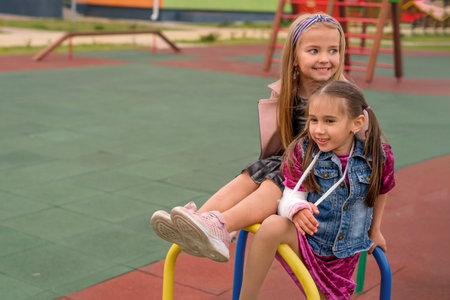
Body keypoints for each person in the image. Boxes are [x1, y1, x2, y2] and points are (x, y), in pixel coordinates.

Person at [150, 13, 347, 262]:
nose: (325, 59)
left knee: (276, 175)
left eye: (333, 50)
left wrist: (374, 226)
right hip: (293, 168)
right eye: (314, 51)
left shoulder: (344, 100)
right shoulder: (289, 92)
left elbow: (373, 156)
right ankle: (200, 221)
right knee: (256, 170)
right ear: (294, 58)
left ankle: (223, 226)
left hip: (322, 180)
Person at [239, 80, 395, 300]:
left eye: (329, 121)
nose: (319, 130)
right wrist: (296, 209)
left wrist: (375, 230)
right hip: (308, 241)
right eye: (313, 120)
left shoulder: (377, 156)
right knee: (273, 224)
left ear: (357, 123)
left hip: (342, 255)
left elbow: (381, 190)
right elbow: (290, 196)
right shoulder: (303, 152)